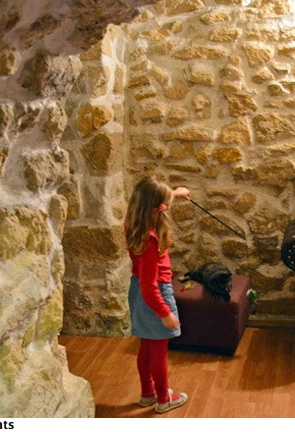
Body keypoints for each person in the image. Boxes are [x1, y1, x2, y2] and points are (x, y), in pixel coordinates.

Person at [125, 175, 190, 414]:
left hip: (137, 290)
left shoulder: (132, 220)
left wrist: (176, 193)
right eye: (165, 205)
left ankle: (147, 393)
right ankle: (164, 398)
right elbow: (150, 286)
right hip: (155, 294)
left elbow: (152, 200)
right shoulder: (151, 241)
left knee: (146, 346)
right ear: (156, 210)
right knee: (159, 352)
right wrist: (164, 313)